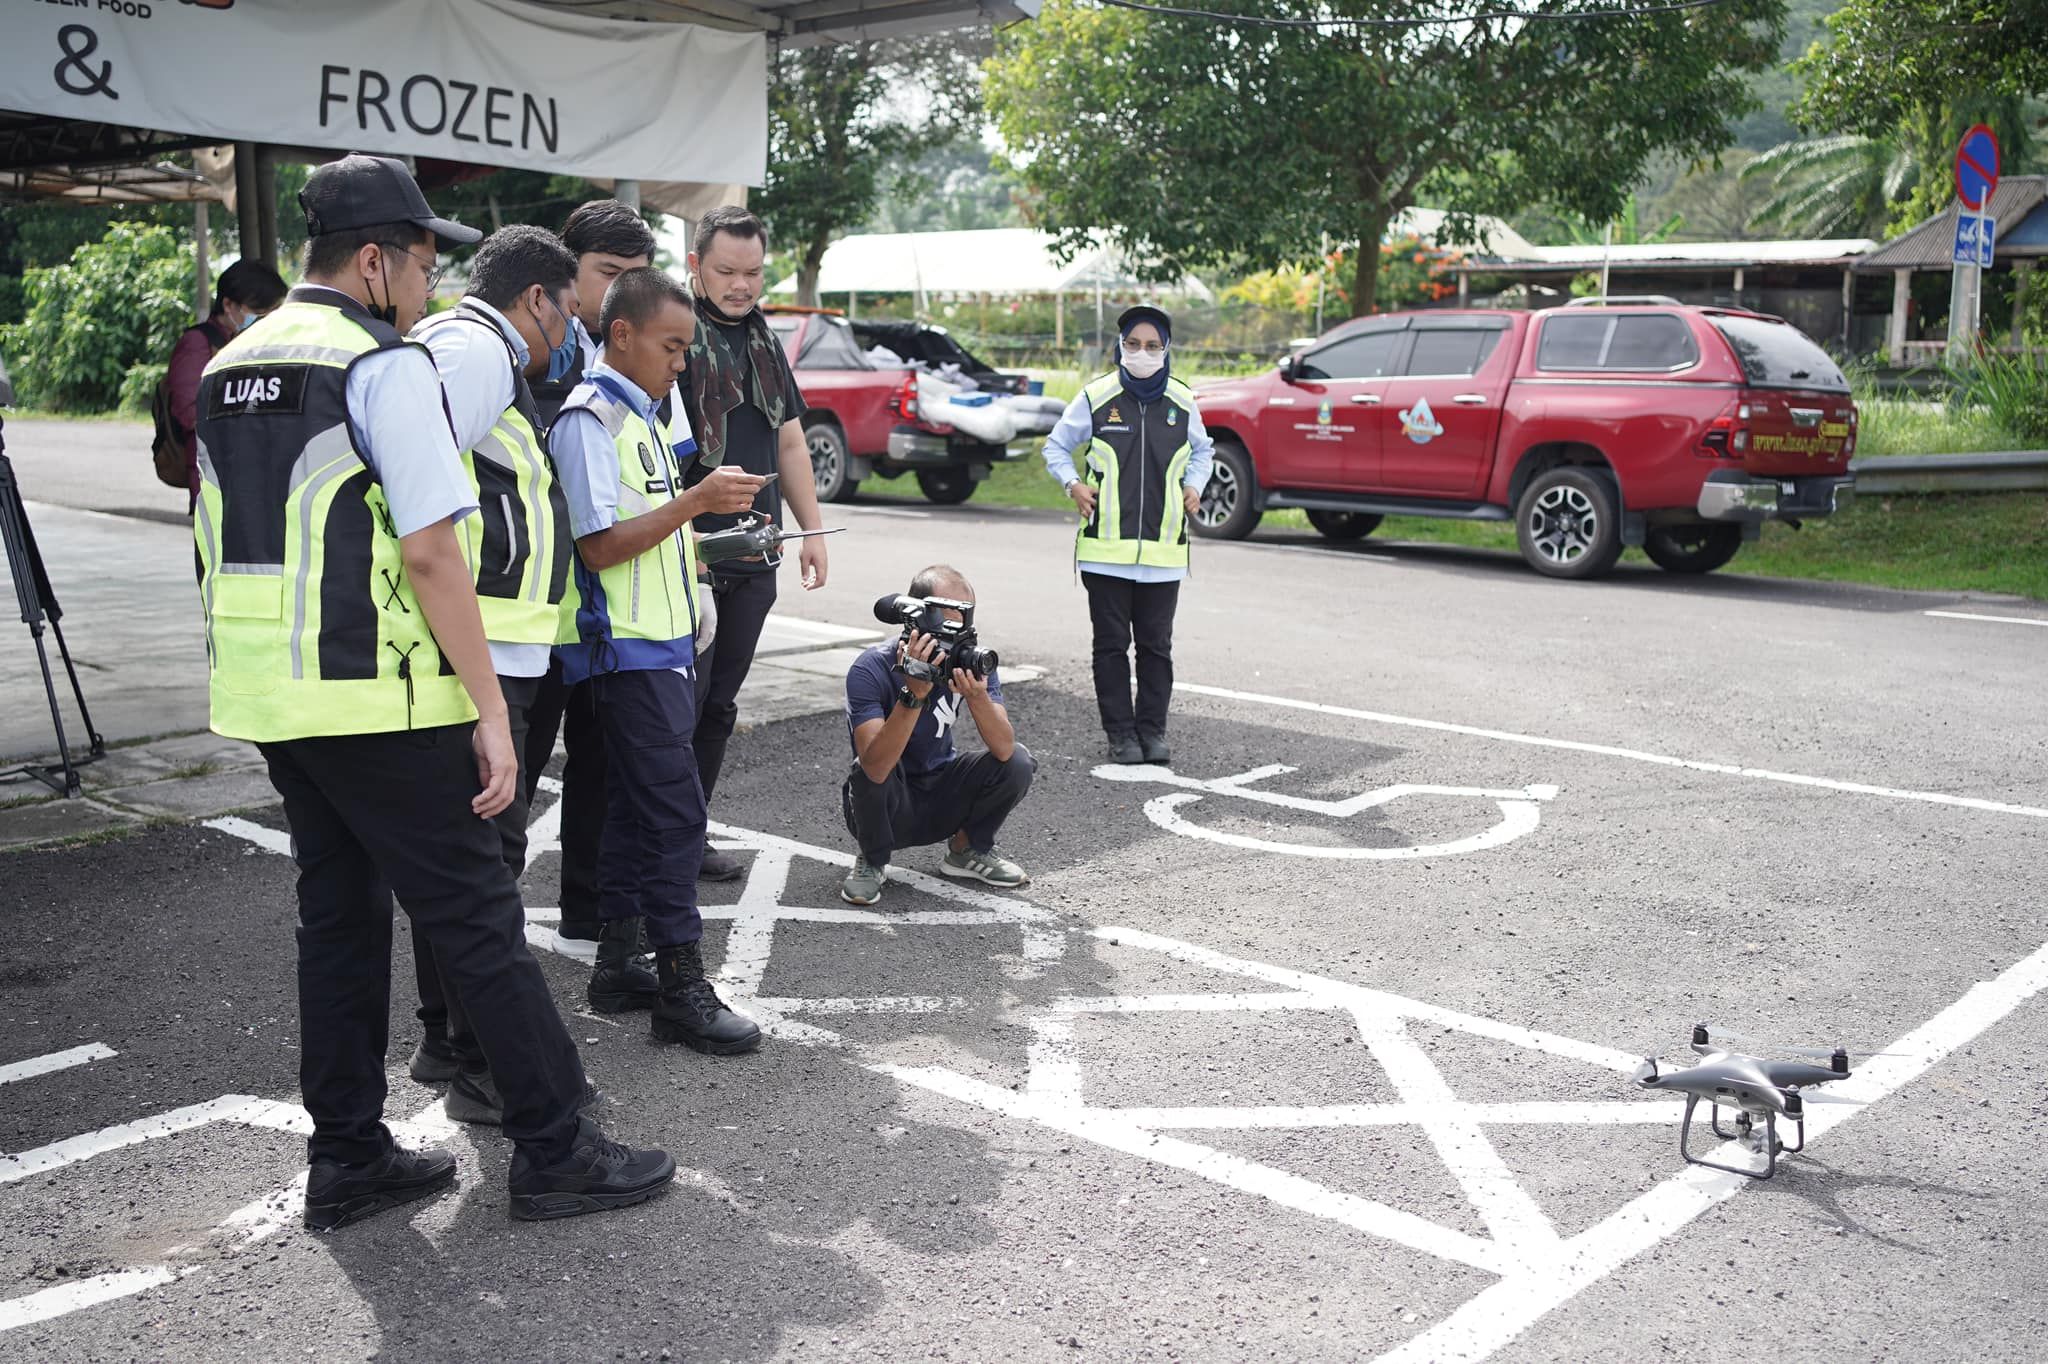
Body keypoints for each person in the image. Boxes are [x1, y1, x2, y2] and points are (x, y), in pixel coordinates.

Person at [192, 153, 673, 1228]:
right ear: (372, 262)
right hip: (380, 690)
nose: (428, 290)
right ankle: (556, 1144)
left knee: (339, 919)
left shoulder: (234, 361)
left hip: (271, 691)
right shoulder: (379, 364)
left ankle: (349, 1152)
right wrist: (492, 711)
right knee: (475, 915)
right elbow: (430, 551)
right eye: (418, 266)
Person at [550, 266, 767, 1054]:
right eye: (672, 347)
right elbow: (600, 546)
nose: (682, 363)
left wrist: (713, 548)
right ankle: (681, 985)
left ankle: (619, 963)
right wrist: (696, 502)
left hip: (661, 646)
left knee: (634, 810)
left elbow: (652, 533)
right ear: (622, 334)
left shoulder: (640, 415)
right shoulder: (590, 418)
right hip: (625, 653)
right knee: (676, 819)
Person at [402, 224, 583, 1123]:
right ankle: (481, 1065)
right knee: (484, 871)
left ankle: (446, 1040)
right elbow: (415, 493)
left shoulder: (469, 347)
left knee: (465, 863)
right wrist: (485, 695)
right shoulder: (476, 349)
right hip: (483, 653)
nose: (572, 333)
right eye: (570, 313)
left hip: (497, 646)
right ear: (536, 298)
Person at [525, 200, 671, 946]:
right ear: (565, 270)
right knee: (515, 769)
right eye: (607, 273)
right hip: (529, 603)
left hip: (605, 612)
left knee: (600, 766)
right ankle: (486, 936)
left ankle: (588, 910)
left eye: (634, 276)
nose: (620, 291)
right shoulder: (530, 354)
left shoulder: (642, 363)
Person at [677, 205, 830, 882]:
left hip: (756, 552)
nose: (741, 285)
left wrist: (812, 530)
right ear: (695, 266)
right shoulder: (674, 334)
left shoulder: (765, 341)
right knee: (678, 710)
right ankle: (655, 839)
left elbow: (790, 441)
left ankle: (688, 833)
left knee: (719, 707)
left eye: (753, 272)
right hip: (690, 556)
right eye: (726, 271)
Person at [1041, 305, 1212, 765]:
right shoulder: (1096, 397)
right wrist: (1073, 485)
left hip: (1164, 552)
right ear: (1120, 346)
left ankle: (1152, 732)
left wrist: (1195, 485)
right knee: (1111, 646)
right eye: (1133, 344)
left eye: (1153, 346)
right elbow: (1056, 446)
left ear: (1166, 349)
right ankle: (1120, 735)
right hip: (1105, 551)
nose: (1142, 353)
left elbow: (1203, 451)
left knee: (1157, 648)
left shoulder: (1182, 401)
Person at [838, 565, 1034, 908]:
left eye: (965, 624)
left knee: (1018, 761)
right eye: (950, 626)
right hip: (887, 801)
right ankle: (872, 858)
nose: (960, 637)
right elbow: (874, 766)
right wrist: (914, 693)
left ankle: (967, 850)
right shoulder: (870, 668)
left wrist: (977, 697)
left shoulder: (971, 662)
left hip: (941, 790)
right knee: (866, 769)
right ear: (916, 623)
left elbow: (1003, 748)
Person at [166, 259, 287, 506]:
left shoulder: (250, 341)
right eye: (259, 311)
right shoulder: (196, 343)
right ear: (229, 305)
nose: (266, 319)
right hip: (213, 474)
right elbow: (188, 411)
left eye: (274, 311)